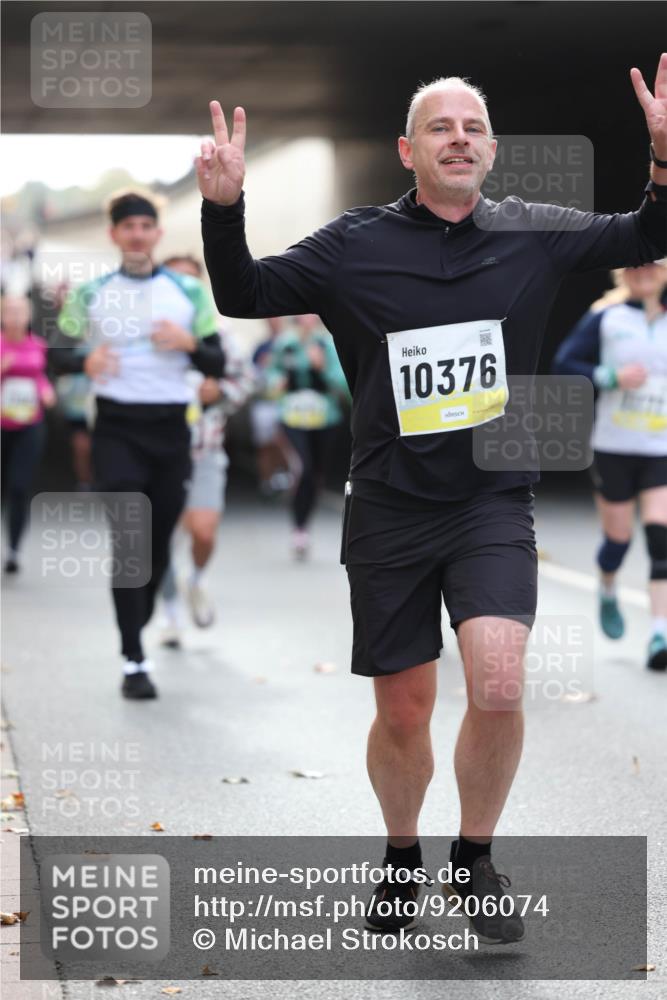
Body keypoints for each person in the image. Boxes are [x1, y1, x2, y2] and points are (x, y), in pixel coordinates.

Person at [196, 57, 667, 943]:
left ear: (491, 152)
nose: (459, 138)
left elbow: (646, 234)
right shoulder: (351, 244)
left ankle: (474, 858)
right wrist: (224, 208)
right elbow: (243, 292)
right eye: (441, 127)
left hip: (491, 499)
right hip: (388, 504)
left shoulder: (535, 232)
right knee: (403, 709)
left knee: (496, 678)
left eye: (473, 128)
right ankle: (401, 854)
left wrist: (663, 156)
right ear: (406, 149)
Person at [52, 190, 224, 700]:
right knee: (130, 543)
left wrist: (190, 344)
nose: (136, 234)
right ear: (114, 235)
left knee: (152, 548)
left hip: (171, 430)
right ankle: (133, 657)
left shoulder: (186, 292)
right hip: (116, 428)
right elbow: (56, 350)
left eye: (145, 226)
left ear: (156, 233)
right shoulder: (92, 293)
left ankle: (140, 614)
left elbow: (217, 359)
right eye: (127, 226)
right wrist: (82, 362)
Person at [553, 261, 667, 671]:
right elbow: (564, 363)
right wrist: (609, 375)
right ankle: (607, 586)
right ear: (623, 275)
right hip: (614, 446)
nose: (643, 272)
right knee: (617, 542)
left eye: (651, 265)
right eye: (634, 266)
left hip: (661, 448)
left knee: (661, 538)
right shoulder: (606, 316)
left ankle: (659, 633)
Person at [157, 254, 255, 644]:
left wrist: (220, 393)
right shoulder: (147, 332)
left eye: (191, 283)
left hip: (205, 450)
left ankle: (196, 578)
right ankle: (170, 614)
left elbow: (246, 379)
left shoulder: (219, 333)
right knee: (160, 539)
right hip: (159, 452)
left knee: (203, 530)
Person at [265, 313, 349, 557]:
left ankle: (304, 524)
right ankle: (298, 527)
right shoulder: (285, 344)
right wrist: (275, 382)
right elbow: (269, 375)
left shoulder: (328, 344)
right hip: (292, 416)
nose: (307, 318)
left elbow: (345, 383)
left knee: (316, 473)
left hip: (324, 417)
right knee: (303, 466)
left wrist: (323, 368)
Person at [1, 294, 55, 572]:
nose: (14, 315)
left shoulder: (38, 345)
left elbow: (42, 376)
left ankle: (14, 549)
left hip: (29, 424)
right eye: (8, 310)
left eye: (19, 310)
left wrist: (46, 390)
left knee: (18, 486)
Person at [250, 316, 296, 498]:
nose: (274, 322)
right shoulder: (261, 347)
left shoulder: (290, 345)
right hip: (264, 403)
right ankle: (267, 481)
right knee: (264, 445)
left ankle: (288, 478)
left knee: (284, 441)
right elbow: (250, 374)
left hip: (285, 403)